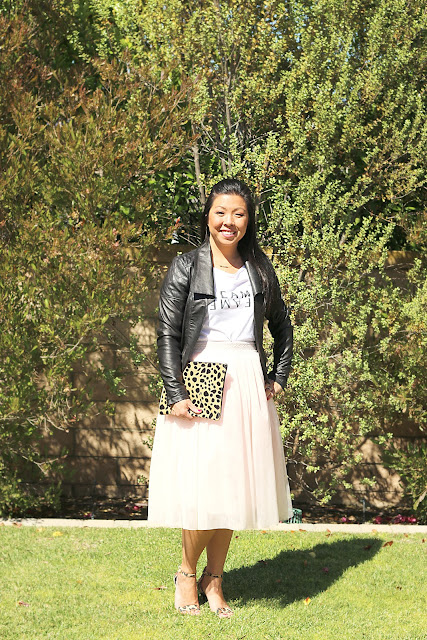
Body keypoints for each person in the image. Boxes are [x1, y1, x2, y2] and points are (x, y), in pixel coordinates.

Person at [147, 178, 293, 618]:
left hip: (247, 379)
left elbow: (282, 326)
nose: (229, 221)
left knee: (233, 484)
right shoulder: (186, 266)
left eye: (239, 214)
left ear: (249, 220)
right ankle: (186, 574)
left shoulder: (259, 267)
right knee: (204, 486)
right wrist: (175, 392)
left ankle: (215, 579)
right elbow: (167, 334)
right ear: (208, 216)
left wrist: (278, 376)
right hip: (202, 376)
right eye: (221, 212)